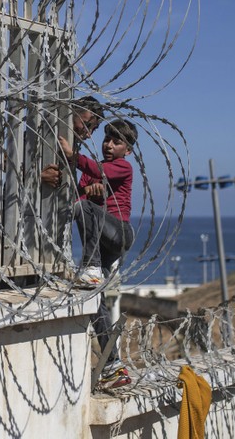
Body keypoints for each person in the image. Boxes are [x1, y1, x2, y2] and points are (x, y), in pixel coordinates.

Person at [58, 118, 137, 388]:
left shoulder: (123, 167)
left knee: (86, 209)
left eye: (117, 142)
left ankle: (90, 267)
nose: (109, 145)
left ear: (127, 150)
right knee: (94, 299)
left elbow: (99, 172)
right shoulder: (91, 173)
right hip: (101, 243)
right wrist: (90, 194)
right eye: (107, 140)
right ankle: (113, 366)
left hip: (120, 233)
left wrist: (73, 156)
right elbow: (79, 203)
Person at [41, 96, 104, 188]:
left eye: (93, 129)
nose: (89, 134)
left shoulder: (72, 149)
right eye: (86, 125)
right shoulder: (36, 139)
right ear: (71, 114)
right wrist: (39, 177)